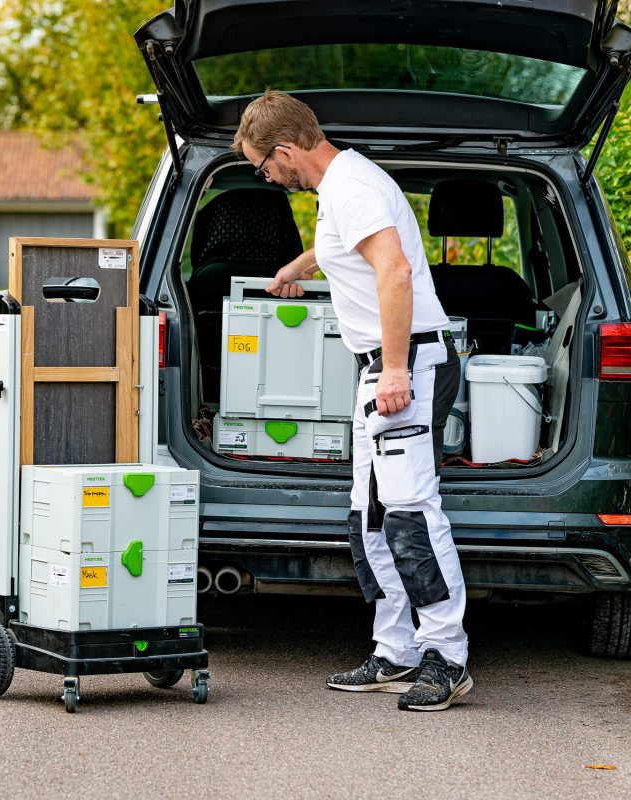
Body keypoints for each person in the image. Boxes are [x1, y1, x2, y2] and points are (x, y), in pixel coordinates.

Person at [232, 90, 472, 712]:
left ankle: (446, 656)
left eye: (264, 166)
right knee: (370, 518)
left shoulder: (352, 186)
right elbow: (353, 247)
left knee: (411, 513)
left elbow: (393, 271)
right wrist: (304, 264)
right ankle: (395, 652)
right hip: (379, 370)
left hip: (404, 365)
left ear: (286, 151)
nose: (269, 177)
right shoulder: (338, 188)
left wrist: (395, 370)